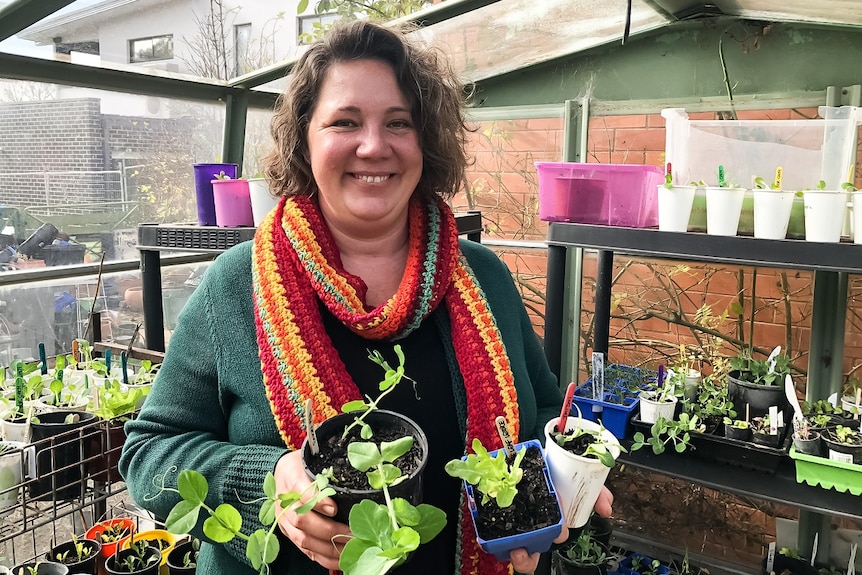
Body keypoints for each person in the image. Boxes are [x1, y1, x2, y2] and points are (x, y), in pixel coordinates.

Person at [119, 19, 612, 575]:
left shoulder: (486, 279)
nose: (374, 146)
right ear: (305, 140)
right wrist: (267, 481)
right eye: (345, 122)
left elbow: (547, 411)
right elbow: (149, 450)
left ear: (424, 141)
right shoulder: (236, 285)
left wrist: (564, 482)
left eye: (398, 123)